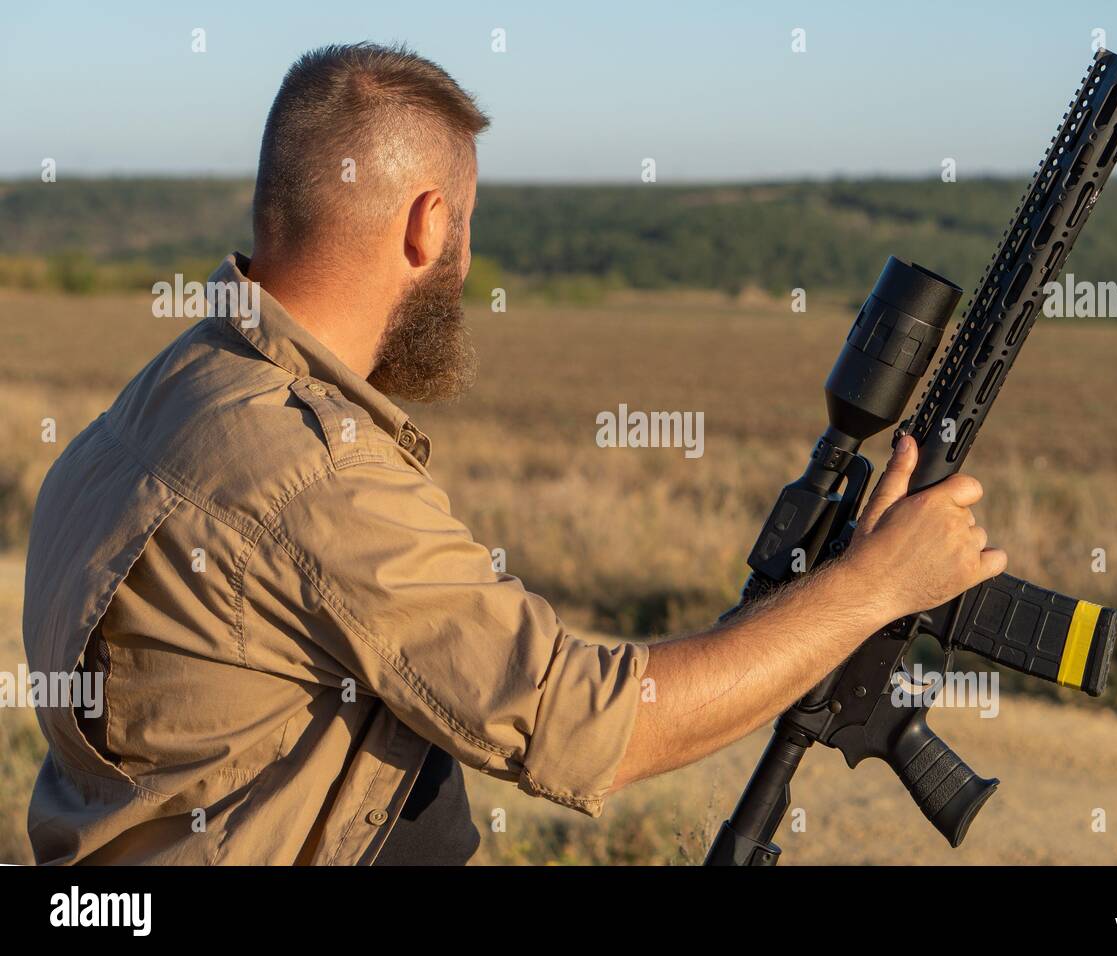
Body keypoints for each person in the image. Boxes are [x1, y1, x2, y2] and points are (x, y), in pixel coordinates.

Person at [23, 43, 1005, 865]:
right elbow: (588, 727)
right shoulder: (310, 467)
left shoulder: (169, 391)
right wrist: (874, 586)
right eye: (464, 231)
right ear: (427, 224)